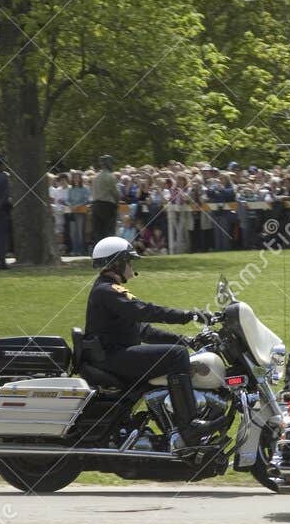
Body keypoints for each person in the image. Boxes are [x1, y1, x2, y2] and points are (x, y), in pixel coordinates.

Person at [84, 237, 213, 446]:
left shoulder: (107, 290)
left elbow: (143, 330)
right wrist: (189, 316)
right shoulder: (107, 291)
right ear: (117, 262)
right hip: (112, 357)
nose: (131, 266)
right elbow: (143, 311)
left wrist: (184, 340)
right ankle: (188, 425)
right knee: (176, 355)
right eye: (129, 261)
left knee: (178, 349)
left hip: (113, 354)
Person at [90, 155, 119, 242]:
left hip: (95, 205)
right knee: (109, 230)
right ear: (109, 164)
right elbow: (116, 193)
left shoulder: (95, 177)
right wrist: (117, 203)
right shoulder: (110, 176)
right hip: (107, 206)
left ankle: (98, 252)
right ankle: (109, 252)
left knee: (98, 231)